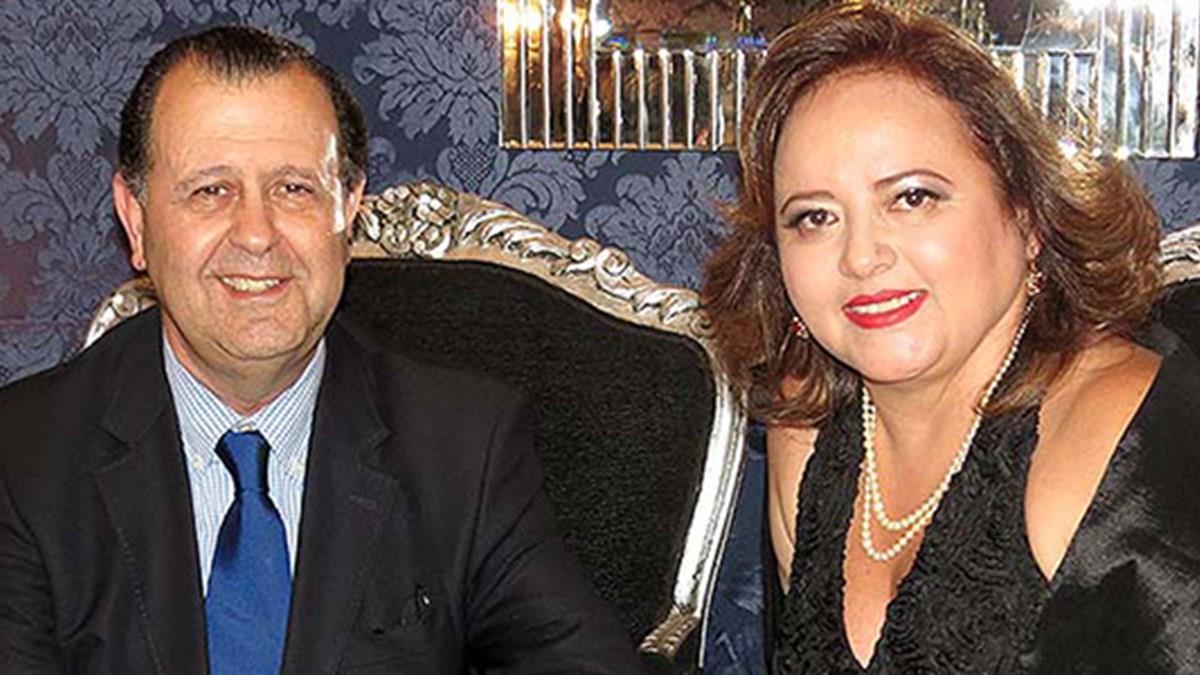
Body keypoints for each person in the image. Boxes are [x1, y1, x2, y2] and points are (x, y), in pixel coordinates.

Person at [0, 26, 641, 674]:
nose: (256, 234)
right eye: (210, 190)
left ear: (349, 208)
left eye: (295, 189)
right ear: (136, 220)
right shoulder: (23, 458)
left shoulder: (464, 448)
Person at [702, 4, 1200, 673]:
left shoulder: (1119, 440)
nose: (861, 256)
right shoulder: (807, 425)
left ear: (1028, 217)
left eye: (912, 197)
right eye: (814, 217)